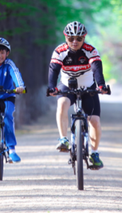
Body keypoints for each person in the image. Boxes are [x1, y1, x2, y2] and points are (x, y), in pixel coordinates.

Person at [47, 21, 109, 169]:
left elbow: (96, 69)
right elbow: (53, 70)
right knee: (62, 104)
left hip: (88, 87)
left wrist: (101, 85)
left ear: (84, 38)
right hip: (67, 85)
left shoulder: (91, 50)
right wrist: (51, 87)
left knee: (94, 121)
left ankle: (94, 153)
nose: (75, 42)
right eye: (71, 38)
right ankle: (63, 139)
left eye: (79, 39)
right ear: (65, 38)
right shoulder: (59, 51)